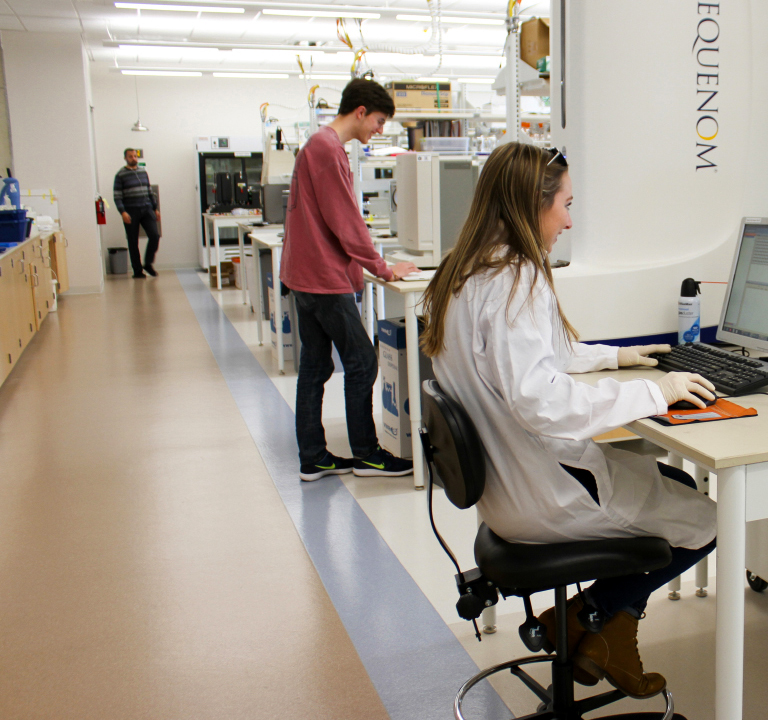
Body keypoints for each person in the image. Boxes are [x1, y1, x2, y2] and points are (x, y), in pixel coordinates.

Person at [419, 142, 718, 699]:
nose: (569, 218)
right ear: (533, 206)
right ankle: (589, 617)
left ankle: (608, 633)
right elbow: (544, 403)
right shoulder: (515, 279)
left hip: (504, 490)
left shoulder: (463, 275)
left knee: (671, 484)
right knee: (705, 519)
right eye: (565, 204)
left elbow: (532, 353)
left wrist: (617, 358)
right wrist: (659, 392)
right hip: (540, 493)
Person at [281, 79, 418, 482]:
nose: (379, 129)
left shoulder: (315, 145)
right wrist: (383, 267)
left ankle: (313, 456)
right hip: (323, 279)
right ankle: (367, 454)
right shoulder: (327, 150)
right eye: (378, 121)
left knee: (315, 366)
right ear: (360, 111)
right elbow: (344, 220)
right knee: (362, 361)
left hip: (303, 276)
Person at [113, 148, 161, 278]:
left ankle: (148, 263)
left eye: (135, 156)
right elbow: (117, 196)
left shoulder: (143, 172)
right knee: (133, 241)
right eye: (130, 156)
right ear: (125, 158)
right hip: (131, 211)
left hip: (146, 208)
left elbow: (149, 191)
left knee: (154, 235)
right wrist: (122, 212)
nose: (134, 158)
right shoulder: (120, 175)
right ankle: (137, 271)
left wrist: (155, 208)